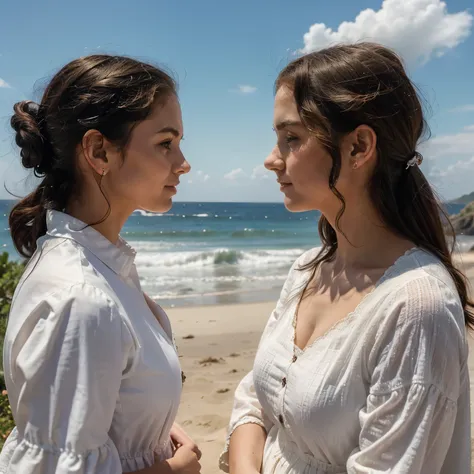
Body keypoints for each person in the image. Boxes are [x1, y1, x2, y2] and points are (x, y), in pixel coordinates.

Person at [221, 43, 472, 474]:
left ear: (358, 147)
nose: (270, 159)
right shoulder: (308, 270)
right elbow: (256, 399)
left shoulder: (415, 307)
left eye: (291, 138)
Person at [0, 55, 201, 474]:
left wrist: (151, 431)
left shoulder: (102, 267)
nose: (183, 163)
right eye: (166, 143)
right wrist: (172, 471)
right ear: (97, 151)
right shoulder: (82, 297)